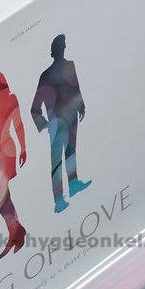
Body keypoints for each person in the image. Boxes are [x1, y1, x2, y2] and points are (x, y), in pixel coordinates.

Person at [30, 34, 92, 214]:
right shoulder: (46, 75)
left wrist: (81, 105)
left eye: (63, 46)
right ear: (55, 51)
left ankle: (73, 184)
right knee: (57, 161)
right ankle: (58, 200)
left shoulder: (69, 66)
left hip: (71, 117)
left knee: (71, 152)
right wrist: (44, 124)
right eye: (60, 46)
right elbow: (34, 106)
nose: (63, 49)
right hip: (57, 122)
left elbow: (76, 87)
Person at [0, 72, 27, 260]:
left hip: (3, 154)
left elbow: (18, 125)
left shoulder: (10, 101)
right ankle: (16, 231)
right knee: (1, 197)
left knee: (0, 198)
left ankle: (16, 232)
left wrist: (23, 149)